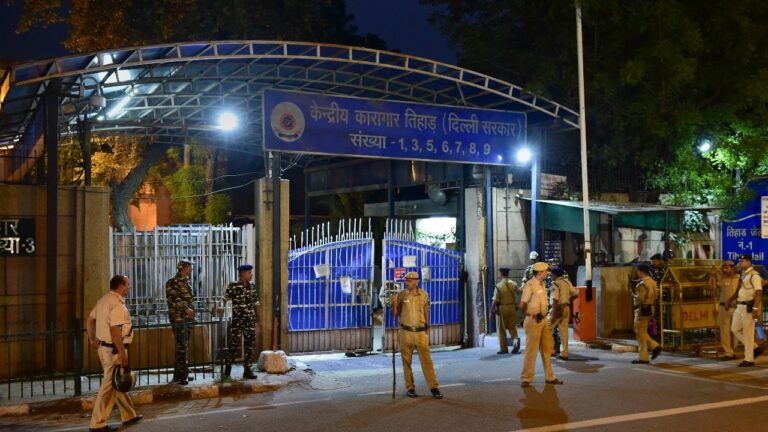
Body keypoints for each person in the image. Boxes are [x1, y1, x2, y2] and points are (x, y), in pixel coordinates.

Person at [86, 275, 142, 432]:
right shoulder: (117, 304)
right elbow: (115, 330)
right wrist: (122, 353)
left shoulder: (103, 300)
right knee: (109, 385)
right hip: (114, 350)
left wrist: (91, 340)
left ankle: (129, 415)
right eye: (128, 284)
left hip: (104, 348)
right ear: (121, 286)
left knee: (117, 381)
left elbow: (89, 320)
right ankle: (97, 424)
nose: (129, 287)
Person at [393, 271, 443, 399]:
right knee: (406, 362)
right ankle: (410, 388)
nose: (407, 283)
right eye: (406, 281)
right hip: (405, 332)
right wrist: (394, 303)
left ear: (416, 281)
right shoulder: (402, 295)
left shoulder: (424, 295)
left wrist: (427, 329)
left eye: (409, 281)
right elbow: (395, 314)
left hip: (420, 332)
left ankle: (434, 387)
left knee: (427, 361)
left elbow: (427, 313)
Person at [519, 261, 562, 387]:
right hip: (533, 321)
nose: (547, 273)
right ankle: (526, 378)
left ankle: (550, 377)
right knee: (531, 351)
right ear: (539, 273)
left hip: (543, 320)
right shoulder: (530, 285)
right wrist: (529, 314)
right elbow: (522, 304)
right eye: (545, 272)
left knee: (547, 350)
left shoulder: (542, 284)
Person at [217, 264, 261, 379]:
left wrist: (259, 321)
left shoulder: (252, 286)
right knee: (233, 345)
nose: (251, 275)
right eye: (249, 273)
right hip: (238, 321)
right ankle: (227, 371)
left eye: (251, 272)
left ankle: (248, 370)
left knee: (249, 346)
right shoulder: (233, 286)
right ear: (242, 274)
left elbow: (256, 304)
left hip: (250, 321)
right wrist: (221, 306)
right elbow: (225, 298)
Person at [727, 254, 764, 367]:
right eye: (740, 261)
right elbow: (739, 290)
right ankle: (754, 347)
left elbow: (759, 293)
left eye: (742, 261)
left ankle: (749, 359)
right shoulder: (743, 275)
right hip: (740, 306)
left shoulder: (754, 276)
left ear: (749, 262)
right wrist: (730, 299)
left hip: (748, 307)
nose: (740, 263)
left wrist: (755, 308)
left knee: (748, 333)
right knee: (734, 329)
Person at [166, 259, 196, 385]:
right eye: (190, 266)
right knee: (181, 347)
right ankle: (182, 376)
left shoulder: (186, 282)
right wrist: (187, 309)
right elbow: (174, 300)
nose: (192, 269)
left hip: (187, 320)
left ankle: (180, 374)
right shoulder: (172, 282)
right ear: (184, 268)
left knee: (184, 347)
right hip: (179, 319)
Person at [631, 264, 661, 364]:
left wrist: (632, 294)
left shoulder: (641, 285)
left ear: (641, 272)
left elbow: (640, 299)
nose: (637, 273)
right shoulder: (653, 282)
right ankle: (644, 358)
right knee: (642, 332)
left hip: (642, 310)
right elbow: (656, 296)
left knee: (639, 332)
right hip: (650, 309)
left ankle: (655, 346)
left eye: (638, 271)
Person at [708, 260, 739, 360]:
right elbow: (711, 287)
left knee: (736, 330)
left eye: (727, 267)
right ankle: (728, 352)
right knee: (725, 331)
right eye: (724, 267)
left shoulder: (739, 279)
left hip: (736, 307)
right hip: (723, 308)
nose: (725, 269)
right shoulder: (722, 279)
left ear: (732, 268)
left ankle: (734, 349)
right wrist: (712, 276)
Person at [550, 268, 578, 360]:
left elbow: (555, 300)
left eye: (552, 274)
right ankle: (564, 353)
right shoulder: (567, 282)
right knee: (564, 332)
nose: (551, 276)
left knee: (547, 329)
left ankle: (550, 350)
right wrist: (568, 299)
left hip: (558, 309)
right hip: (566, 308)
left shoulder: (556, 284)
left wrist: (553, 315)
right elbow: (576, 293)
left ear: (555, 275)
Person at [491, 267, 520, 354]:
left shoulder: (499, 286)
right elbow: (519, 291)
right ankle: (515, 344)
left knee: (501, 330)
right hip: (512, 308)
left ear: (501, 274)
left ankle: (504, 349)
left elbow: (495, 301)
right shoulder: (513, 284)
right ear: (508, 273)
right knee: (513, 328)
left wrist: (491, 311)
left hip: (502, 308)